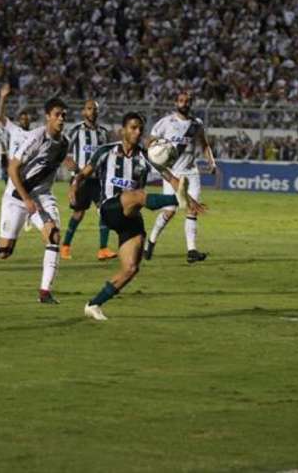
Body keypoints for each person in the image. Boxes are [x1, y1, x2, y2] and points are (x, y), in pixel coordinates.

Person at [70, 112, 206, 321]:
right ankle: (175, 201)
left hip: (131, 216)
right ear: (122, 130)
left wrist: (191, 200)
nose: (137, 132)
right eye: (133, 127)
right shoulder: (105, 152)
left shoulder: (147, 155)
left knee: (131, 268)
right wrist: (74, 188)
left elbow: (172, 178)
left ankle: (94, 304)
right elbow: (83, 174)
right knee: (139, 195)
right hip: (110, 208)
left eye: (140, 128)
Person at [0, 98, 69, 304]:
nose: (61, 118)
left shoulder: (64, 143)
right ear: (48, 116)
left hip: (43, 196)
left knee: (53, 235)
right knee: (4, 252)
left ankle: (44, 292)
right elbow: (12, 168)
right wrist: (27, 199)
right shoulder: (36, 138)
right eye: (57, 114)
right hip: (17, 196)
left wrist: (76, 178)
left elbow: (54, 166)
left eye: (64, 115)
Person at [145, 91, 217, 264]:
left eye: (187, 101)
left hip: (191, 172)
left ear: (191, 104)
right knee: (169, 212)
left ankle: (191, 250)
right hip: (172, 174)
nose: (184, 104)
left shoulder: (196, 124)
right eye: (181, 101)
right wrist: (158, 153)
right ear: (176, 103)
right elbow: (150, 142)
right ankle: (151, 242)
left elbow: (204, 145)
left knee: (192, 209)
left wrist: (212, 163)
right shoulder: (165, 122)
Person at [61, 100, 117, 261]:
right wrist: (67, 160)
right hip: (81, 179)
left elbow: (109, 153)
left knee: (105, 211)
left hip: (99, 180)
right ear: (84, 112)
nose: (92, 111)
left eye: (95, 109)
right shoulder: (77, 130)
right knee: (78, 213)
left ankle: (103, 248)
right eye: (89, 109)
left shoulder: (103, 132)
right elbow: (62, 146)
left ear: (99, 112)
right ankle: (65, 246)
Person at [0, 83, 33, 183]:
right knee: (10, 197)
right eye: (22, 119)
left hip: (26, 170)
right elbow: (0, 116)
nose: (24, 121)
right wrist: (2, 98)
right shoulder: (14, 129)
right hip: (13, 168)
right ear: (19, 120)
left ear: (30, 121)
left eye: (26, 119)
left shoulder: (34, 135)